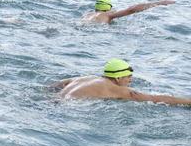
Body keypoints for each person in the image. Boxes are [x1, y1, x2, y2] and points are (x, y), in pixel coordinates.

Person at [55, 60, 191, 105]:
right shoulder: (118, 90)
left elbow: (56, 85)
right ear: (118, 78)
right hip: (68, 107)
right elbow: (156, 98)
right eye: (128, 77)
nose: (131, 80)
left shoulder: (85, 78)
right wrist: (187, 102)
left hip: (54, 100)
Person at [83, 0, 174, 24]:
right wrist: (158, 3)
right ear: (109, 7)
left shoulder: (88, 15)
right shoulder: (108, 15)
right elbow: (131, 9)